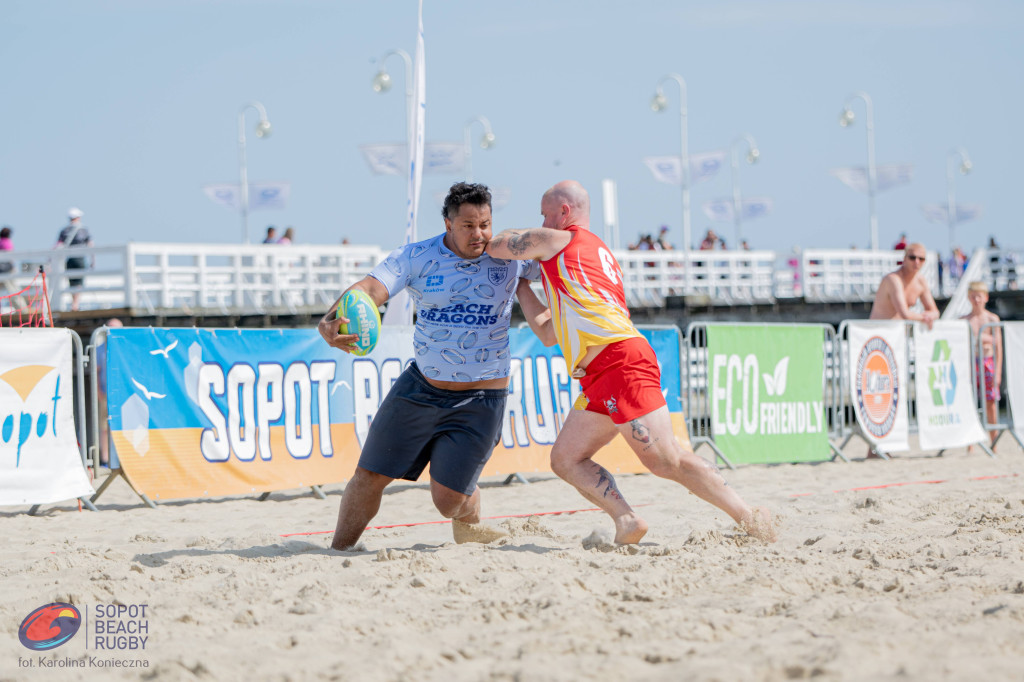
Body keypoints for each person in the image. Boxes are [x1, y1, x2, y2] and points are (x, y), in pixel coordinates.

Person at [484, 180, 776, 545]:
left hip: (620, 360)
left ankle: (750, 518)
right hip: (599, 372)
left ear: (564, 212)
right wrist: (522, 285)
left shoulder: (562, 239)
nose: (540, 221)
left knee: (665, 461)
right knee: (565, 459)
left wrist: (493, 242)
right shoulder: (589, 258)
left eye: (545, 214)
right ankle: (626, 519)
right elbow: (547, 333)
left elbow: (499, 244)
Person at [317, 182, 541, 551]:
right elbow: (369, 290)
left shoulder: (510, 256)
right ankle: (337, 550)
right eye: (468, 225)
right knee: (369, 474)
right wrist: (331, 319)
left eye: (485, 223)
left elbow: (563, 258)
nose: (479, 234)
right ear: (448, 224)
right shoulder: (416, 257)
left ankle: (468, 522)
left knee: (447, 501)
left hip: (482, 398)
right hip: (421, 387)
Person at [963, 281, 1002, 444]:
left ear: (985, 297)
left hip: (988, 362)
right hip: (971, 362)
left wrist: (998, 373)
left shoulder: (992, 318)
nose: (976, 300)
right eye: (973, 296)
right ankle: (971, 443)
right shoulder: (965, 320)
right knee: (969, 402)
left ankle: (993, 440)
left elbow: (999, 347)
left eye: (978, 296)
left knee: (990, 403)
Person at [869, 242, 939, 329]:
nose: (917, 262)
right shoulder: (893, 279)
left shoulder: (921, 281)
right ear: (904, 258)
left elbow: (935, 311)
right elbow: (904, 313)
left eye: (921, 259)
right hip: (878, 333)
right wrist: (926, 317)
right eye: (912, 257)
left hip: (898, 334)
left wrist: (931, 315)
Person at [54, 207, 93, 311]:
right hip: (79, 259)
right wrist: (93, 260)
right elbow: (90, 245)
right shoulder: (83, 230)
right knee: (79, 282)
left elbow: (58, 245)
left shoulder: (64, 231)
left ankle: (73, 304)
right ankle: (75, 304)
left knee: (71, 281)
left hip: (69, 259)